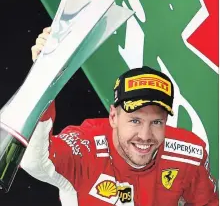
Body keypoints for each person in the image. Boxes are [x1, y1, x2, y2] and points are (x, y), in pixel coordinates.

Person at [21, 27, 218, 206]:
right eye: (135, 120)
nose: (145, 135)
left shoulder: (190, 153)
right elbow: (34, 160)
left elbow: (208, 201)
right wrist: (43, 76)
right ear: (113, 116)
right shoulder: (85, 146)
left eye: (156, 122)